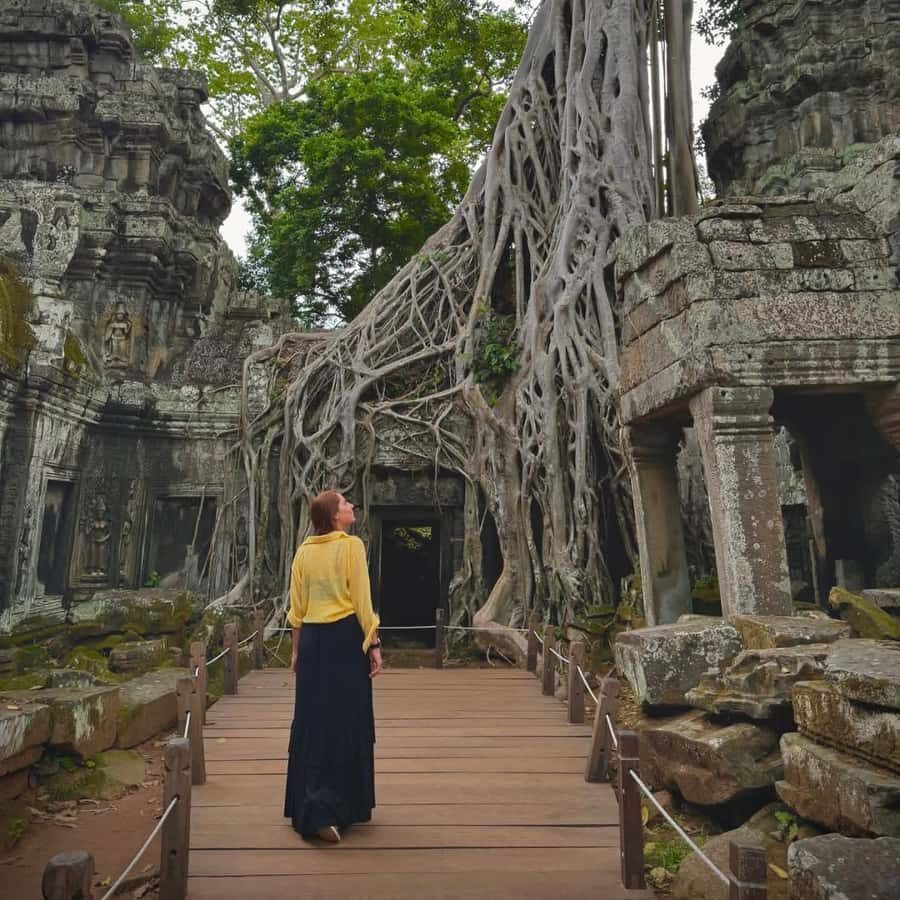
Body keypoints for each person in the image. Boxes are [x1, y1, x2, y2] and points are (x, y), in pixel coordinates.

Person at [284, 491, 383, 843]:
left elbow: (296, 608)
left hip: (311, 640)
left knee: (312, 721)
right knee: (345, 720)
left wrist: (296, 651)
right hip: (343, 640)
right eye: (345, 504)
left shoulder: (303, 552)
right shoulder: (351, 546)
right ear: (333, 516)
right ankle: (334, 808)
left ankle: (310, 805)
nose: (352, 506)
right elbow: (361, 599)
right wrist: (373, 642)